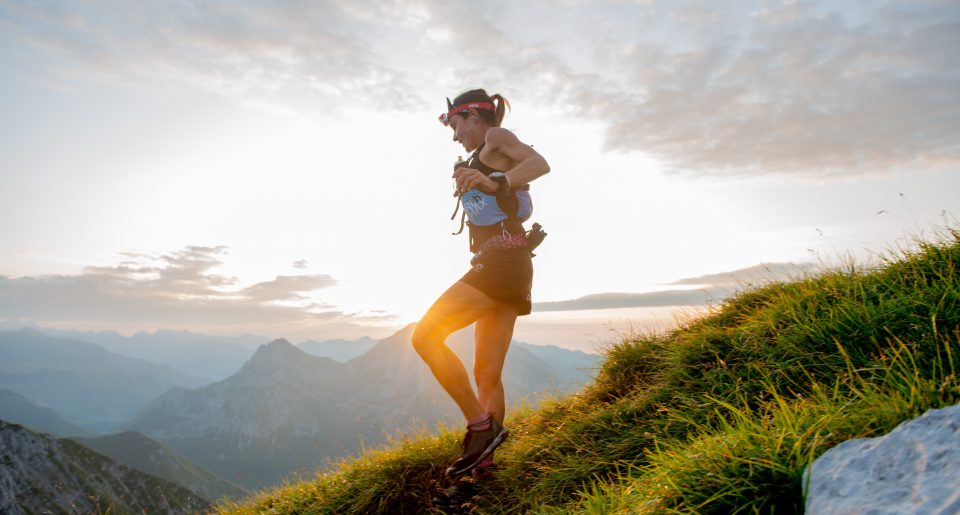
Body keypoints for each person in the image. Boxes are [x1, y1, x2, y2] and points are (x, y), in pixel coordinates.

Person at [411, 88, 550, 493]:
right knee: (486, 373)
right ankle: (483, 471)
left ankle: (479, 427)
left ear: (473, 117)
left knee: (424, 336)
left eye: (455, 125)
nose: (454, 135)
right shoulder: (476, 156)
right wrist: (487, 180)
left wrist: (496, 181)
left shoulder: (495, 139)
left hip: (501, 264)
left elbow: (540, 163)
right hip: (510, 263)